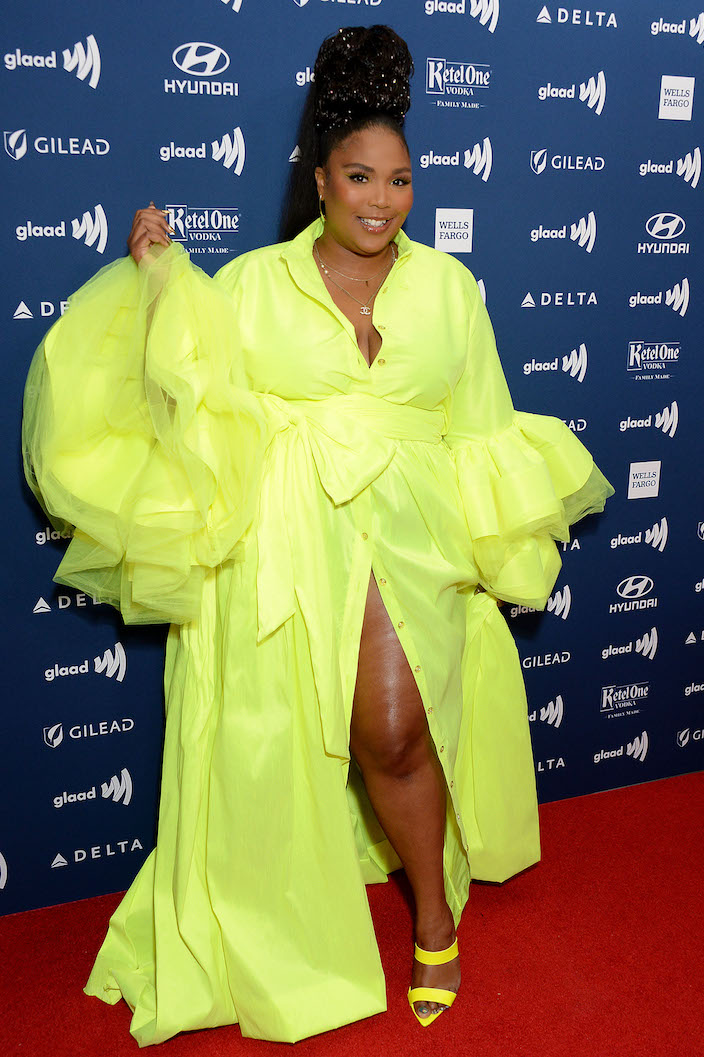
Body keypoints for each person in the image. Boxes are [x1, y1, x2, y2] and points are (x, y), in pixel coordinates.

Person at [22, 24, 613, 1047]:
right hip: (293, 535)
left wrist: (490, 546)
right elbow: (198, 401)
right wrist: (159, 280)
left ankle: (432, 914)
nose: (379, 202)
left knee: (393, 725)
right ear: (321, 177)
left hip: (414, 533)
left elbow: (479, 422)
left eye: (398, 180)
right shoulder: (252, 284)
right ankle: (340, 913)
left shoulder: (450, 290)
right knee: (299, 740)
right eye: (357, 178)